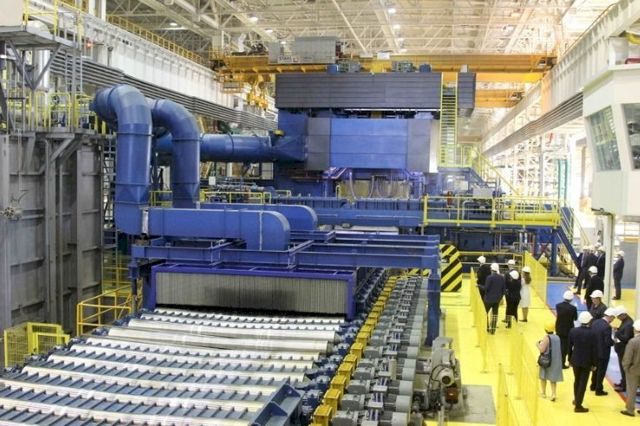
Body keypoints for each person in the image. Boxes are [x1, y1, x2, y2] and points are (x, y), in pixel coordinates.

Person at [568, 311, 597, 413]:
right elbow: (594, 350)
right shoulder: (592, 333)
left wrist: (569, 359)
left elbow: (569, 346)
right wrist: (594, 364)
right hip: (587, 362)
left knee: (577, 380)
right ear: (589, 321)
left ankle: (576, 399)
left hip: (575, 360)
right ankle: (578, 405)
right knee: (583, 383)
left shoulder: (573, 331)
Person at [590, 307, 616, 395]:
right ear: (610, 316)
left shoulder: (595, 322)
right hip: (603, 353)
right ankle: (599, 389)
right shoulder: (607, 327)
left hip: (594, 351)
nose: (613, 320)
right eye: (613, 318)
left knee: (595, 369)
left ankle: (593, 385)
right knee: (601, 371)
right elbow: (608, 342)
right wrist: (614, 342)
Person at [537, 321, 563, 401]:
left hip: (546, 360)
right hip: (555, 361)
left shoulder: (546, 338)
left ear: (545, 329)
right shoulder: (557, 337)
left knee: (543, 376)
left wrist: (537, 344)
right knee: (553, 378)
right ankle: (553, 394)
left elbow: (542, 350)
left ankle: (543, 393)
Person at [620, 319, 640, 417]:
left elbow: (627, 357)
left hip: (633, 370)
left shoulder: (633, 342)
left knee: (631, 391)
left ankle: (630, 410)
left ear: (635, 329)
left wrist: (626, 368)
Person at [480, 263, 505, 335]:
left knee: (485, 313)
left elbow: (486, 288)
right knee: (495, 315)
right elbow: (503, 290)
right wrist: (500, 297)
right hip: (497, 300)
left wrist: (479, 286)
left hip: (488, 299)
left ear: (491, 269)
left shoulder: (489, 277)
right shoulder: (502, 278)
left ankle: (487, 327)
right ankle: (493, 330)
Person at [555, 290, 578, 369]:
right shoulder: (573, 308)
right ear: (571, 299)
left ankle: (559, 362)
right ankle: (567, 362)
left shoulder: (558, 306)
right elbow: (575, 318)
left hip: (559, 329)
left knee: (561, 346)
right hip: (569, 330)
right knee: (568, 346)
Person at [614, 306, 634, 392]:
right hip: (621, 349)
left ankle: (624, 386)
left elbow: (626, 338)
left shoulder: (629, 324)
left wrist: (617, 332)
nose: (618, 318)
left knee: (624, 368)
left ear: (624, 314)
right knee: (622, 368)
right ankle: (623, 382)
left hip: (624, 350)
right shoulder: (625, 321)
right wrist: (618, 329)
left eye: (619, 316)